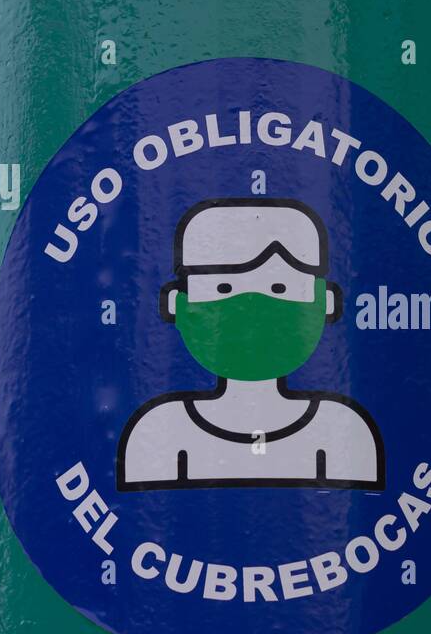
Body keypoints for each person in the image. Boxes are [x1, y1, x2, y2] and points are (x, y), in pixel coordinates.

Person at [117, 198, 384, 490]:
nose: (251, 308)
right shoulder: (161, 431)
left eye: (279, 288)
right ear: (175, 304)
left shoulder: (339, 429)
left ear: (327, 303)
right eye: (223, 288)